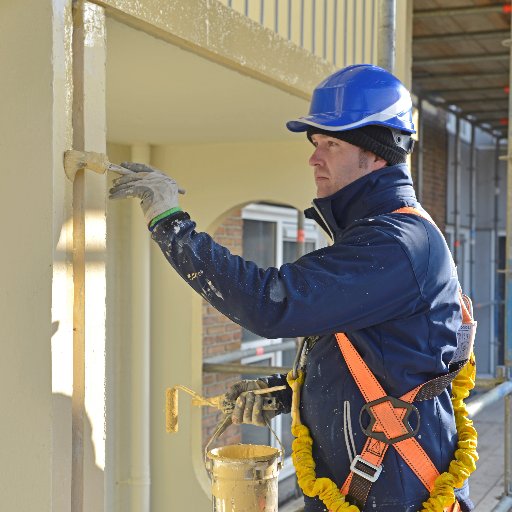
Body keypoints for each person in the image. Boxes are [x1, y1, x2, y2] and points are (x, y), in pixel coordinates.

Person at [109, 64, 476, 512]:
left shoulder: (397, 245)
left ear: (378, 153)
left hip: (396, 495)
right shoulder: (374, 237)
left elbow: (272, 303)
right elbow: (382, 358)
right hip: (373, 489)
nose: (314, 158)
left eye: (332, 144)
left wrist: (170, 223)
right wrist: (286, 392)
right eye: (315, 143)